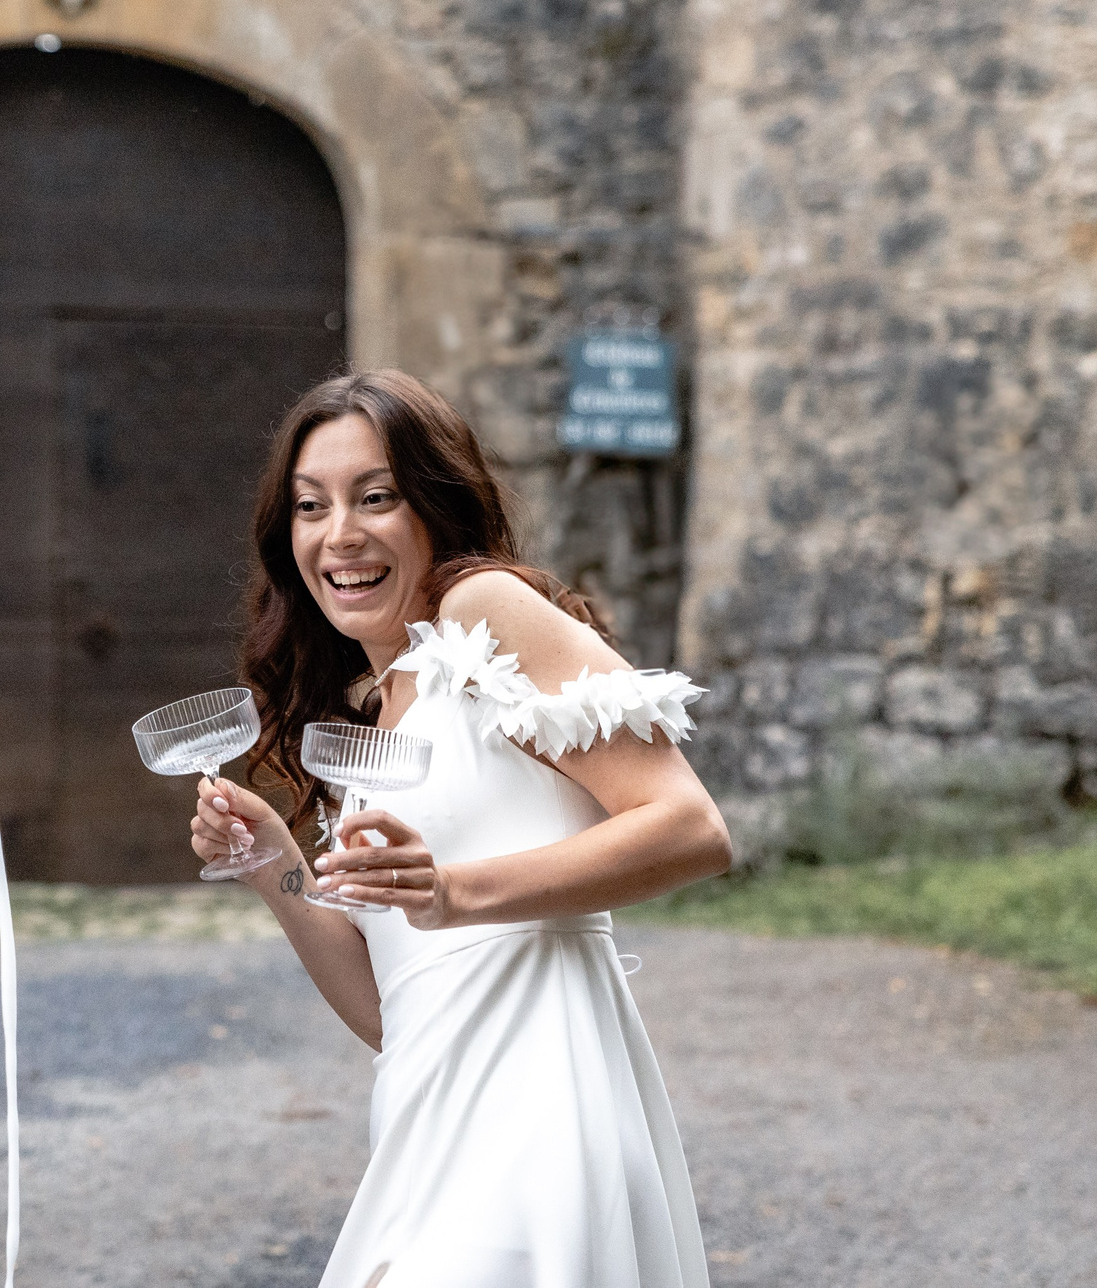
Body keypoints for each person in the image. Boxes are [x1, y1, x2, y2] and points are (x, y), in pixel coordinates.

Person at [191, 369, 731, 1288]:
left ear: (436, 506)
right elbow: (388, 1011)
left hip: (537, 1117)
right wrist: (274, 863)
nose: (341, 533)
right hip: (424, 1121)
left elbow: (689, 825)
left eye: (376, 497)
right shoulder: (366, 719)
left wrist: (454, 891)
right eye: (310, 506)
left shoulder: (484, 612)